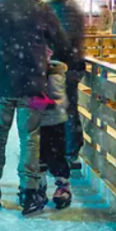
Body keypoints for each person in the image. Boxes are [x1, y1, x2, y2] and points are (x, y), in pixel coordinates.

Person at [0, 0, 69, 216]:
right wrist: (43, 61)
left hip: (1, 85)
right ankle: (30, 191)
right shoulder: (40, 9)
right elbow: (61, 42)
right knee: (31, 137)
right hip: (33, 86)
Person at [41, 0, 86, 171]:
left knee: (66, 110)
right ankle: (57, 152)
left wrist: (48, 52)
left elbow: (64, 41)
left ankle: (69, 152)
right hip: (60, 66)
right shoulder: (56, 7)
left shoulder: (67, 10)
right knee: (57, 109)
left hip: (67, 67)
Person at [36, 59, 72, 209]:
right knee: (37, 155)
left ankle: (63, 184)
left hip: (53, 121)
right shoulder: (31, 69)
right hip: (35, 120)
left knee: (55, 154)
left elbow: (60, 100)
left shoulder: (54, 72)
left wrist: (50, 105)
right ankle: (39, 184)